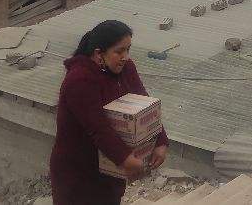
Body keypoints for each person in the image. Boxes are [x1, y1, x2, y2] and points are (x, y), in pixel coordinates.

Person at [50, 20, 169, 205]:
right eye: (119, 51)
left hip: (109, 170)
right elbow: (98, 128)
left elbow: (144, 105)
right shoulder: (79, 80)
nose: (125, 57)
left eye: (128, 50)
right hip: (79, 174)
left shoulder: (126, 68)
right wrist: (125, 158)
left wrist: (160, 141)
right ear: (99, 54)